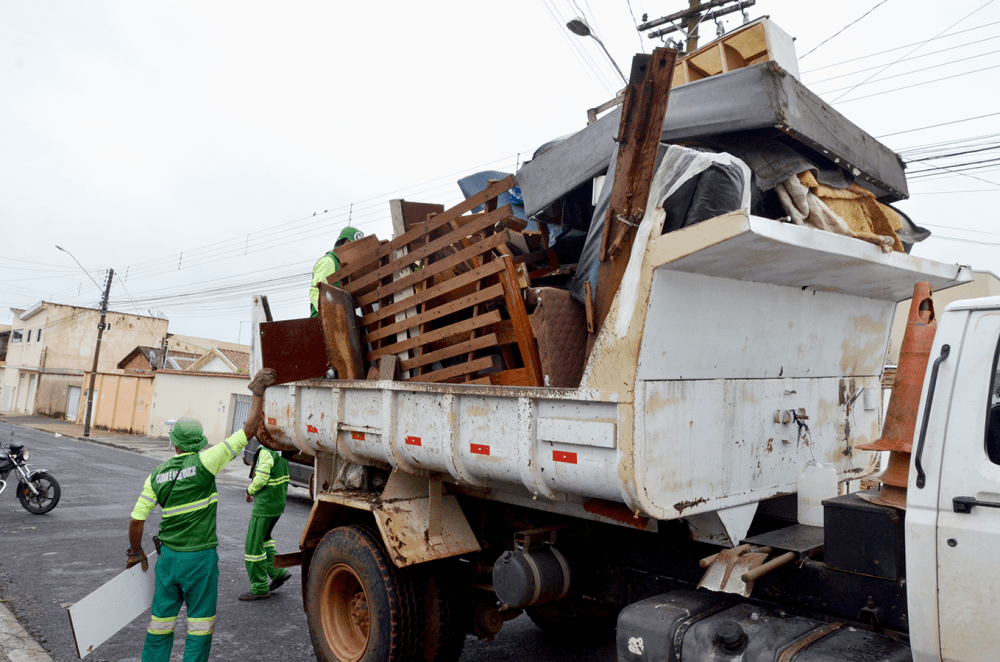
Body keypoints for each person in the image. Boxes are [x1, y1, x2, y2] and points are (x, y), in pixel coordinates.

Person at [126, 368, 277, 662]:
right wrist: (257, 394)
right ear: (198, 443)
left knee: (160, 623)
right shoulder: (207, 461)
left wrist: (135, 552)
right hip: (200, 559)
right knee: (200, 625)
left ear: (175, 444)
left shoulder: (156, 475)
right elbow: (248, 431)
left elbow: (137, 518)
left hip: (169, 559)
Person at [239, 444, 293, 600]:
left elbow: (262, 478)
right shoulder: (282, 449)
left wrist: (249, 491)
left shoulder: (266, 452)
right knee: (265, 539)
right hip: (277, 504)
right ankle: (278, 572)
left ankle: (260, 587)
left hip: (265, 505)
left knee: (253, 545)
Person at [309, 226, 364, 317]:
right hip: (322, 320)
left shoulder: (348, 267)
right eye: (351, 244)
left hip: (341, 318)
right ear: (341, 243)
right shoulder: (329, 261)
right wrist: (329, 314)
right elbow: (316, 292)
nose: (353, 249)